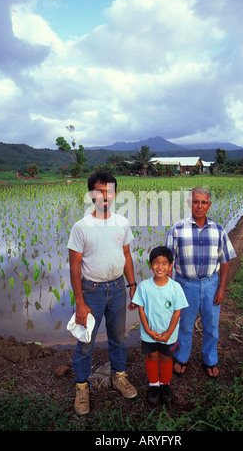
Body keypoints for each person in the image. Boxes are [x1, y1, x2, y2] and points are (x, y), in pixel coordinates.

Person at [67, 171, 138, 415]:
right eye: (99, 191)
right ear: (91, 195)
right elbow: (74, 266)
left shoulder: (122, 222)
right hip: (92, 290)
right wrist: (79, 302)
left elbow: (126, 255)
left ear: (115, 194)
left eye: (108, 191)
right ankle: (82, 386)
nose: (104, 196)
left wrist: (132, 285)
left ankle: (119, 376)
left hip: (118, 287)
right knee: (86, 341)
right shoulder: (81, 227)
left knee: (118, 337)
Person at [165, 187, 236, 379]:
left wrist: (221, 288)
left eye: (204, 202)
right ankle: (182, 357)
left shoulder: (219, 231)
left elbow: (225, 260)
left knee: (211, 325)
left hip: (211, 284)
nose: (199, 206)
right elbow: (167, 262)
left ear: (209, 205)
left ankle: (210, 359)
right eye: (196, 201)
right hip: (185, 285)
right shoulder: (177, 229)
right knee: (185, 325)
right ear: (190, 203)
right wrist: (170, 288)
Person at [132, 246, 188, 406]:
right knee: (152, 356)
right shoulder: (144, 286)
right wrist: (148, 330)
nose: (160, 267)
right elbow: (141, 310)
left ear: (171, 266)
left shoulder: (175, 288)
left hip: (169, 335)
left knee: (166, 357)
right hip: (148, 334)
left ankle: (165, 384)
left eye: (164, 263)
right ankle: (154, 385)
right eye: (156, 263)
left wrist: (169, 332)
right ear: (150, 264)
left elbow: (177, 312)